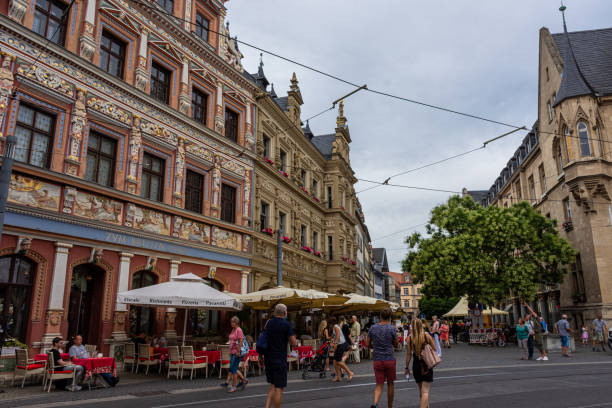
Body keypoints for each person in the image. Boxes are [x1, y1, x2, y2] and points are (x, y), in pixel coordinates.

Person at [264, 303, 296, 408]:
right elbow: (293, 343)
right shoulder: (286, 325)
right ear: (285, 313)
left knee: (272, 385)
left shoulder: (268, 323)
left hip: (268, 358)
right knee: (279, 387)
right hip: (279, 359)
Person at [367, 309, 398, 408]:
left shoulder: (373, 328)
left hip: (377, 360)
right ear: (389, 317)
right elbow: (396, 344)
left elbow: (367, 344)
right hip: (389, 359)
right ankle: (390, 406)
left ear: (380, 316)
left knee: (379, 384)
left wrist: (374, 347)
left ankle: (375, 403)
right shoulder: (391, 328)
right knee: (390, 384)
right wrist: (392, 344)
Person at [405, 319, 436, 408]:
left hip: (416, 365)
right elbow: (434, 349)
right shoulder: (426, 336)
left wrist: (406, 368)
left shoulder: (410, 338)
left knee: (421, 391)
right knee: (425, 391)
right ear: (421, 325)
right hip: (426, 364)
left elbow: (408, 355)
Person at [222, 316, 247, 393]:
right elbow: (232, 341)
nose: (231, 323)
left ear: (236, 323)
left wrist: (237, 352)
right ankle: (243, 380)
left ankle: (234, 386)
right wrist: (230, 350)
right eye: (231, 322)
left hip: (237, 352)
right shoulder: (233, 329)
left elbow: (240, 341)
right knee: (234, 369)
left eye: (232, 322)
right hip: (233, 351)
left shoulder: (238, 330)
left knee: (233, 369)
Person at [331, 316, 354, 382]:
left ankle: (350, 372)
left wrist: (335, 343)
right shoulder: (336, 326)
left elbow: (338, 335)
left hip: (341, 344)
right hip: (340, 344)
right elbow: (336, 335)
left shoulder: (335, 326)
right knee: (335, 361)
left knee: (339, 361)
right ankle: (338, 377)